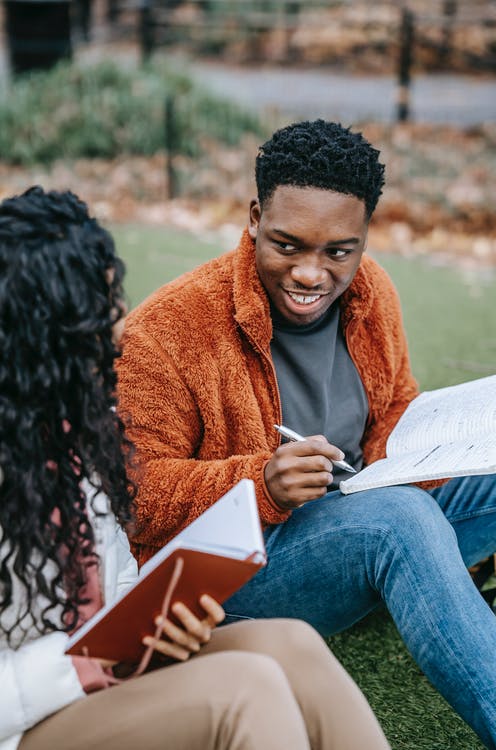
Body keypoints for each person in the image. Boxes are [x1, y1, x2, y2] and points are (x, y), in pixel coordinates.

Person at [117, 119, 496, 749]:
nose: (311, 273)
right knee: (399, 519)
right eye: (287, 245)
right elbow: (132, 499)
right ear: (252, 219)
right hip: (236, 576)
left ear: (364, 237)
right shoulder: (170, 330)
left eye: (338, 251)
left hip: (358, 512)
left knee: (417, 501)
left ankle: (417, 576)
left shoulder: (372, 291)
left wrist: (414, 455)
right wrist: (260, 480)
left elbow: (393, 408)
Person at [0, 186, 391, 750]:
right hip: (28, 721)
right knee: (244, 687)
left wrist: (152, 615)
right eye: (95, 320)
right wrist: (93, 658)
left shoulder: (83, 426)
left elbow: (106, 575)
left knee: (290, 645)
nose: (116, 332)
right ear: (36, 339)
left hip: (97, 673)